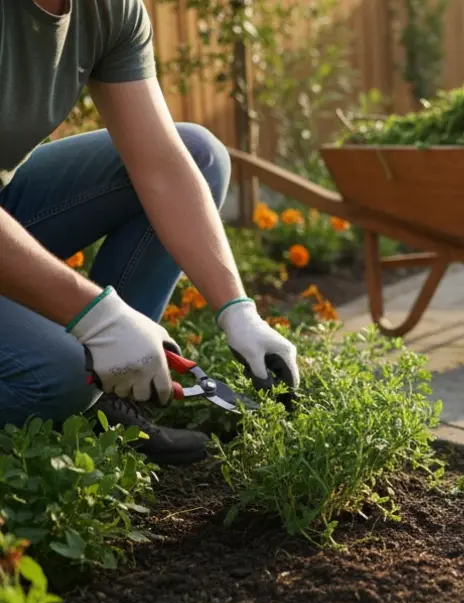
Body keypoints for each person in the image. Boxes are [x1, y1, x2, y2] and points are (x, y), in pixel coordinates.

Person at [0, 0, 300, 465]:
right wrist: (96, 318)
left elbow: (161, 166)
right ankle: (75, 389)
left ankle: (109, 391)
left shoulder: (108, 9)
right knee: (55, 375)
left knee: (198, 153)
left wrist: (238, 310)